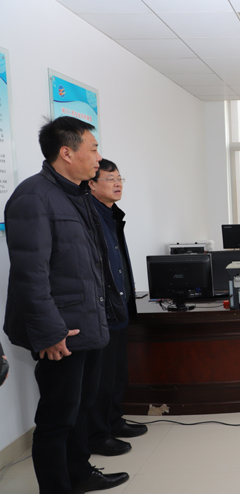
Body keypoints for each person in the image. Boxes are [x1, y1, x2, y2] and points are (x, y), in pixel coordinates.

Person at [3, 116, 129, 493]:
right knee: (57, 418)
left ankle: (79, 473)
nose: (99, 157)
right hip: (61, 331)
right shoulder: (33, 197)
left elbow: (89, 264)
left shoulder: (78, 194)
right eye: (93, 149)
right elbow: (30, 274)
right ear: (67, 153)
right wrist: (50, 333)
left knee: (81, 407)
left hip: (86, 323)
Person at [87, 159, 147, 457]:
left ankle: (113, 420)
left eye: (120, 178)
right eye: (110, 178)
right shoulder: (90, 216)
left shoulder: (111, 215)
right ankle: (98, 435)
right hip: (102, 310)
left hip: (119, 305)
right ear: (91, 184)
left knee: (117, 373)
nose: (118, 183)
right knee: (101, 377)